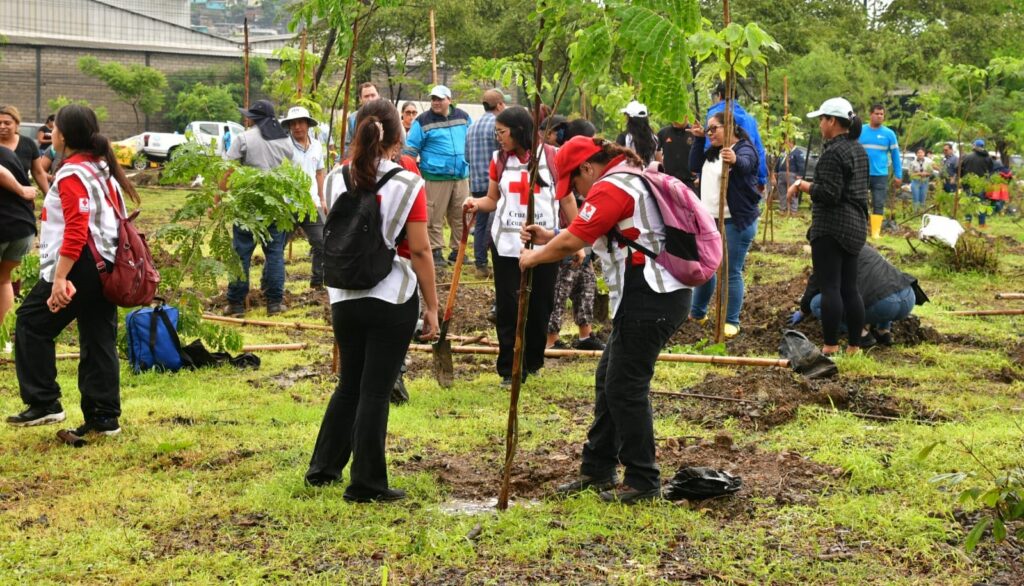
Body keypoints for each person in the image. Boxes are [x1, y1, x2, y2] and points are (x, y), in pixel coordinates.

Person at [519, 137, 692, 504]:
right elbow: (591, 236)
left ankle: (643, 479)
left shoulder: (613, 186)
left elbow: (574, 242)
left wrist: (535, 258)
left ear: (587, 168)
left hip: (652, 296)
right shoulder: (624, 180)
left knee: (625, 386)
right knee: (609, 379)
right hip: (645, 296)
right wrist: (550, 236)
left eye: (574, 183)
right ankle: (598, 468)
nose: (575, 193)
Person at [305, 98, 439, 501]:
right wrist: (431, 308)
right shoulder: (407, 183)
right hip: (390, 296)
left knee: (349, 384)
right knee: (375, 390)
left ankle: (323, 470)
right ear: (398, 137)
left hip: (343, 294)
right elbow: (419, 251)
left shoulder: (332, 178)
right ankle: (365, 485)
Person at [6, 105, 139, 437]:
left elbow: (77, 230)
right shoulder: (101, 166)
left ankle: (45, 403)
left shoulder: (72, 173)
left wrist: (60, 278)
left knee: (32, 323)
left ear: (64, 135)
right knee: (98, 337)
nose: (52, 135)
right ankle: (103, 418)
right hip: (107, 263)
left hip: (81, 266)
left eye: (56, 130)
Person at [463, 106, 574, 386]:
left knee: (540, 305)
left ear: (519, 131)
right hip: (506, 246)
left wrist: (577, 238)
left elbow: (566, 200)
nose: (497, 137)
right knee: (509, 308)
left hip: (545, 245)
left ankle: (533, 361)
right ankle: (508, 368)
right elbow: (492, 199)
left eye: (501, 132)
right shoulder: (498, 160)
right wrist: (476, 203)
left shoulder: (553, 158)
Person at [787, 97, 867, 356]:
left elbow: (830, 193)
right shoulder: (858, 150)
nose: (820, 124)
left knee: (831, 287)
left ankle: (830, 346)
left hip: (831, 227)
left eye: (822, 119)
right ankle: (854, 346)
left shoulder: (833, 152)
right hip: (855, 226)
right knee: (850, 288)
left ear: (832, 121)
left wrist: (802, 185)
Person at [687, 111, 761, 338]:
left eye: (714, 129)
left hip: (734, 222)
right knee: (706, 269)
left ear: (730, 127)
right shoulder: (713, 150)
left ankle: (731, 320)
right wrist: (700, 139)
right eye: (708, 130)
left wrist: (735, 160)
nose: (710, 134)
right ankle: (697, 313)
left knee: (730, 271)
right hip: (709, 221)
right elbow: (694, 164)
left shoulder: (743, 148)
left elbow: (748, 164)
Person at [221, 99, 293, 317]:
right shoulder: (285, 141)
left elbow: (227, 171)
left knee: (241, 254)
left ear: (254, 118)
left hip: (247, 207)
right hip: (276, 208)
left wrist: (218, 200)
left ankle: (235, 305)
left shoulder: (243, 139)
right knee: (274, 255)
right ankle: (274, 304)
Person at [793, 245, 921, 347]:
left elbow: (815, 284)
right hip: (908, 297)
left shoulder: (828, 250)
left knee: (816, 304)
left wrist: (803, 311)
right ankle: (883, 332)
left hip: (884, 305)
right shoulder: (861, 244)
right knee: (878, 283)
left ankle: (862, 334)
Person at [403, 85, 473, 267]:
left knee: (461, 214)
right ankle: (435, 250)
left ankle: (458, 251)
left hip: (461, 175)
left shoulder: (464, 117)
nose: (435, 102)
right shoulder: (422, 121)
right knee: (434, 215)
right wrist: (412, 175)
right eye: (433, 99)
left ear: (449, 100)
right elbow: (410, 150)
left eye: (439, 99)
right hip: (435, 177)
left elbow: (471, 139)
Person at [281, 106, 327, 289]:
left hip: (311, 203)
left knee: (322, 242)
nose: (297, 126)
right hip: (288, 204)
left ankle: (317, 283)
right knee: (277, 247)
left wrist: (322, 198)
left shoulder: (316, 145)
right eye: (293, 123)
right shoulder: (284, 146)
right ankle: (269, 285)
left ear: (308, 124)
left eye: (300, 122)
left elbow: (319, 172)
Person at [692, 83, 769, 188]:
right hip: (747, 177)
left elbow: (708, 146)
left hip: (719, 176)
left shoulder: (714, 115)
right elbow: (759, 150)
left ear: (719, 95)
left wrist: (702, 175)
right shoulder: (749, 118)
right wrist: (761, 179)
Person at [465, 89, 506, 278]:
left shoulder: (472, 127)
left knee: (480, 224)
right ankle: (499, 260)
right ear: (499, 105)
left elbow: (466, 156)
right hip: (494, 183)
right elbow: (503, 152)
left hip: (476, 181)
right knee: (496, 222)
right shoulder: (498, 126)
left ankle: (480, 264)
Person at [0, 146, 38, 327]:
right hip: (23, 228)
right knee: (4, 280)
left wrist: (22, 191)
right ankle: (4, 340)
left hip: (4, 226)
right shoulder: (7, 153)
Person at [859, 104, 902, 237]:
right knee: (860, 202)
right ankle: (861, 229)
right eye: (877, 113)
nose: (879, 116)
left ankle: (875, 232)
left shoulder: (889, 134)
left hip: (880, 175)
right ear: (870, 114)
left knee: (878, 203)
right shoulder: (860, 131)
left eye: (882, 114)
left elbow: (895, 155)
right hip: (861, 174)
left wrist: (898, 175)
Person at [0, 105, 50, 194]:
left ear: (17, 124)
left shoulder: (28, 144)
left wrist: (48, 196)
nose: (2, 126)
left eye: (7, 123)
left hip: (22, 200)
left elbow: (38, 172)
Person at [960, 139, 995, 227]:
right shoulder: (988, 158)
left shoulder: (967, 157)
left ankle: (967, 223)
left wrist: (962, 179)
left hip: (967, 184)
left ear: (974, 146)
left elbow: (959, 169)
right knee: (981, 203)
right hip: (981, 184)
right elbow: (991, 171)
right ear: (983, 147)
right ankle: (982, 224)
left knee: (968, 202)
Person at [615, 101, 659, 166]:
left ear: (629, 118)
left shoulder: (624, 137)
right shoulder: (654, 138)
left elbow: (616, 160)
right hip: (648, 175)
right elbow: (658, 161)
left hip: (629, 174)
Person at [656, 121, 696, 189]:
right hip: (670, 182)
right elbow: (656, 150)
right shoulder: (663, 132)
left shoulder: (694, 132)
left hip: (691, 181)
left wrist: (699, 176)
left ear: (686, 116)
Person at [344, 82, 379, 156]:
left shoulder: (387, 115)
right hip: (360, 159)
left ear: (378, 96)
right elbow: (348, 145)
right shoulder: (353, 118)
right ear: (360, 99)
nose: (370, 99)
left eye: (373, 95)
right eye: (366, 96)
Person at [776, 140, 806, 214]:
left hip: (792, 175)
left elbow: (801, 164)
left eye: (786, 142)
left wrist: (799, 175)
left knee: (793, 193)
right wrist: (776, 171)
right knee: (782, 192)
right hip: (781, 174)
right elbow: (778, 162)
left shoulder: (798, 152)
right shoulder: (783, 152)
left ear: (791, 142)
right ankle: (783, 208)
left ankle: (793, 210)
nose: (784, 144)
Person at [908, 148, 933, 213]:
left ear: (924, 153)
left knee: (923, 198)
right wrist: (918, 173)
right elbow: (910, 174)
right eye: (918, 152)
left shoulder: (928, 162)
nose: (920, 154)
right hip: (915, 182)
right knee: (916, 198)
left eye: (921, 152)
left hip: (925, 182)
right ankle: (915, 213)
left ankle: (922, 213)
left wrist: (926, 173)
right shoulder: (912, 163)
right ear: (916, 154)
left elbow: (931, 172)